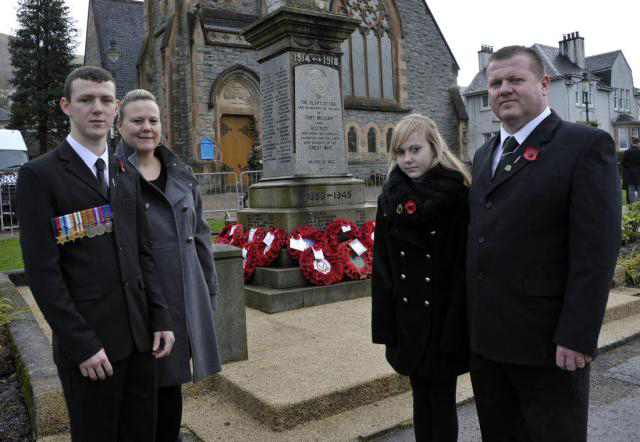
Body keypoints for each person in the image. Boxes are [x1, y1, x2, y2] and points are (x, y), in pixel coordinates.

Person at [467, 46, 621, 441]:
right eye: (496, 83)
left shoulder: (584, 146)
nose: (503, 89)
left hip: (549, 345)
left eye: (515, 80)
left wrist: (577, 333)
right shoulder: (484, 155)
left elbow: (595, 249)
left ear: (544, 83)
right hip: (489, 345)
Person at [16, 67, 175, 441]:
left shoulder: (126, 173)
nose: (97, 109)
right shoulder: (40, 176)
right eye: (86, 99)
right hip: (92, 350)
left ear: (117, 107)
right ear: (66, 106)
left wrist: (161, 317)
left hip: (140, 342)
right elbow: (43, 274)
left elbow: (143, 253)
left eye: (105, 100)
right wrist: (82, 344)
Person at [115, 89, 221, 442]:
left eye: (153, 120)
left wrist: (209, 288)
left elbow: (202, 235)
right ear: (120, 125)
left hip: (182, 294)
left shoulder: (182, 173)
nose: (147, 128)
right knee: (141, 391)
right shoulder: (111, 177)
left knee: (172, 386)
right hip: (138, 299)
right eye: (137, 120)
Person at [371, 113, 470, 441]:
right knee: (419, 397)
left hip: (443, 319)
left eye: (415, 149)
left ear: (434, 148)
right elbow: (383, 267)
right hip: (409, 317)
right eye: (400, 152)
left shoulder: (457, 194)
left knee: (441, 400)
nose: (407, 159)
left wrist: (458, 324)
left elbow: (463, 266)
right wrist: (387, 328)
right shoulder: (390, 198)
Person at [622, 138, 640, 203]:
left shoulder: (627, 152)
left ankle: (632, 205)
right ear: (638, 143)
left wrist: (629, 167)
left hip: (630, 173)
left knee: (631, 189)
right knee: (639, 188)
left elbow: (623, 163)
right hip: (639, 173)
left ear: (632, 143)